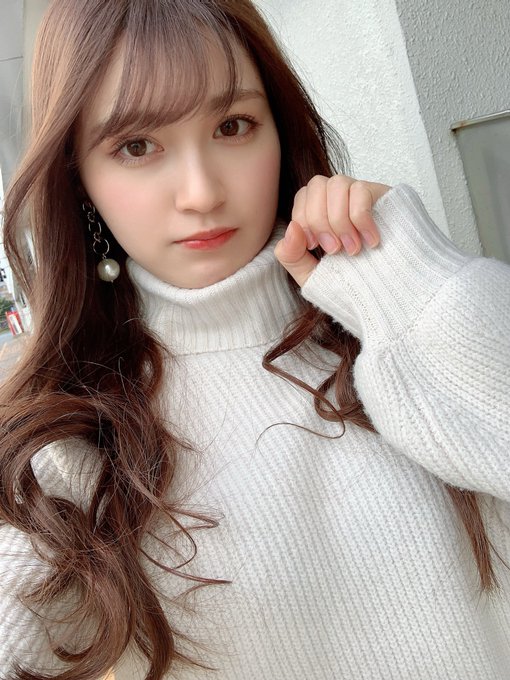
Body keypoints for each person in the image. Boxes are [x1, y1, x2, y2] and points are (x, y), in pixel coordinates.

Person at [0, 1, 509, 678]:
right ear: (79, 177)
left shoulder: (393, 319)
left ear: (278, 129)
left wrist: (416, 281)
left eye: (232, 126)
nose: (201, 192)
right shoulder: (72, 438)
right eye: (137, 146)